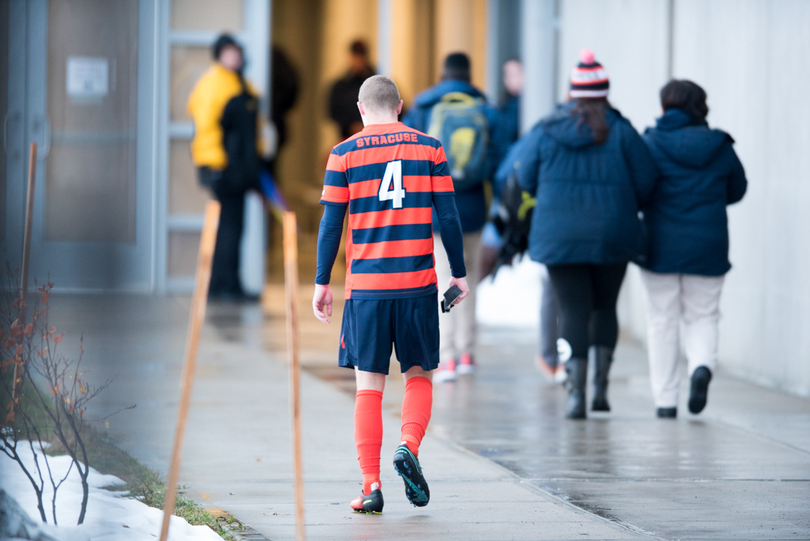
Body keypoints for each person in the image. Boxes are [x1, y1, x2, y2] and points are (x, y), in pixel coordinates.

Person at [312, 75, 469, 514]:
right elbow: (450, 217)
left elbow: (331, 224)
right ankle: (409, 445)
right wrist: (457, 274)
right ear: (399, 106)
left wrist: (322, 283)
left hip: (367, 289)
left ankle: (371, 485)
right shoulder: (430, 148)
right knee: (418, 375)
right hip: (417, 285)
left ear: (361, 110)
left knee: (369, 388)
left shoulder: (342, 154)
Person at [515, 49, 657, 419]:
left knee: (572, 309)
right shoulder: (623, 131)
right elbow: (647, 182)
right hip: (613, 233)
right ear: (605, 92)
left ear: (572, 92)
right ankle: (599, 390)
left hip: (559, 235)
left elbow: (524, 177)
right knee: (604, 307)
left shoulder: (546, 130)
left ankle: (575, 395)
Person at [640, 80, 747, 418]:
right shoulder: (720, 145)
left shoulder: (650, 143)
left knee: (662, 320)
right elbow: (738, 189)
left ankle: (666, 401)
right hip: (708, 242)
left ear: (664, 108)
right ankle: (700, 367)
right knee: (703, 314)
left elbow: (640, 189)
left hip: (659, 245)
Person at [402, 52, 499, 382]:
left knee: (445, 277)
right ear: (469, 76)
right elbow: (499, 160)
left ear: (442, 75)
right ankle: (467, 349)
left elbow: (410, 160)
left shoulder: (423, 108)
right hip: (473, 205)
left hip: (437, 208)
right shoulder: (485, 110)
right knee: (469, 274)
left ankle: (448, 355)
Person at [187, 34, 261, 301]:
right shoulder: (213, 85)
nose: (236, 57)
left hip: (240, 171)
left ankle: (229, 284)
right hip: (223, 169)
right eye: (230, 52)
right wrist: (217, 166)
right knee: (229, 227)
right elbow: (206, 129)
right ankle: (223, 286)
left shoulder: (241, 84)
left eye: (238, 52)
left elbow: (252, 130)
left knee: (235, 226)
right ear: (220, 54)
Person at [328, 40, 375, 140]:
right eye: (356, 56)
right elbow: (333, 112)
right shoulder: (340, 86)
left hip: (374, 138)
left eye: (361, 56)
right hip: (347, 138)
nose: (358, 61)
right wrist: (351, 125)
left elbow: (393, 108)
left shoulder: (379, 85)